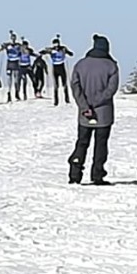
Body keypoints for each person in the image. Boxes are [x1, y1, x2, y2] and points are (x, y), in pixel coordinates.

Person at [69, 34, 119, 185]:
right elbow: (111, 90)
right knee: (101, 144)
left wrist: (85, 106)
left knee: (82, 142)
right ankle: (98, 175)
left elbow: (75, 86)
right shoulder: (111, 66)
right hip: (103, 113)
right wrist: (96, 104)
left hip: (85, 114)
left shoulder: (80, 64)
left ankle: (75, 173)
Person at [41, 35, 73, 105]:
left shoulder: (62, 48)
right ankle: (56, 101)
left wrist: (67, 52)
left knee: (64, 84)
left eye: (57, 44)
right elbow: (43, 51)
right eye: (54, 44)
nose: (56, 45)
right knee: (56, 85)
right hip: (55, 67)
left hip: (61, 66)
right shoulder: (51, 50)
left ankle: (67, 99)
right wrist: (44, 52)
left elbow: (70, 53)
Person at [0, 32, 21, 101]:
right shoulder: (7, 45)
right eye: (12, 38)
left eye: (14, 38)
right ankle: (9, 93)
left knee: (16, 80)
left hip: (16, 63)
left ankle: (17, 92)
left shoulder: (18, 45)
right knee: (9, 79)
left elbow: (23, 51)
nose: (13, 40)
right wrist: (3, 46)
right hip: (10, 63)